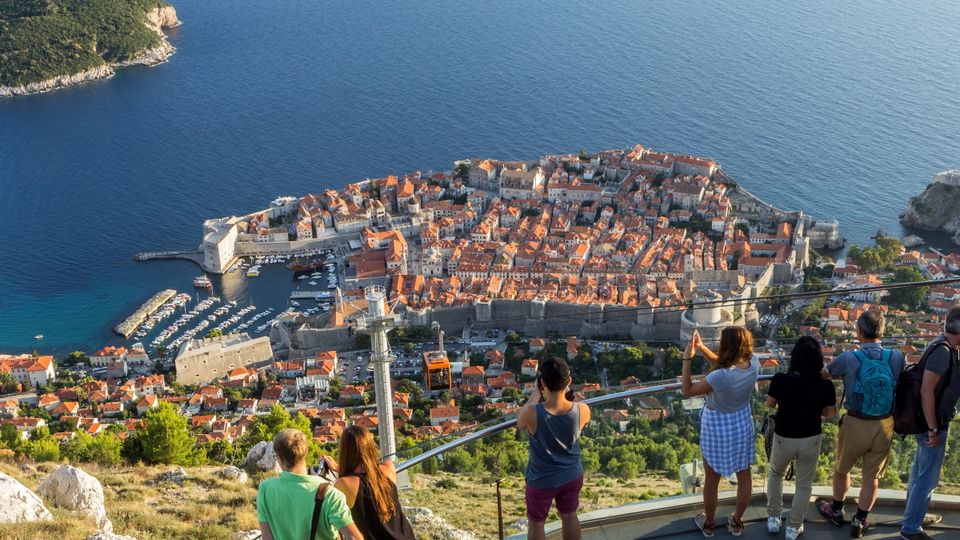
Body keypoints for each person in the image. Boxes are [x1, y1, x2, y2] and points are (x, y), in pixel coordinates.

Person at [818, 310, 905, 538]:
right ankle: (860, 521)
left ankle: (836, 510)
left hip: (856, 422)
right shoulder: (896, 356)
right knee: (871, 477)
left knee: (841, 469)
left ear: (858, 331)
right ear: (882, 331)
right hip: (885, 424)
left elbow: (824, 374)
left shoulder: (849, 358)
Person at [681, 327, 759, 538]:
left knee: (711, 478)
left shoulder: (720, 377)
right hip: (741, 421)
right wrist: (703, 348)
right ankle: (735, 522)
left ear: (726, 346)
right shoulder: (754, 364)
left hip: (717, 425)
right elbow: (725, 365)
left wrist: (687, 359)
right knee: (744, 476)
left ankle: (709, 524)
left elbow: (687, 390)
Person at [765, 337, 837, 540]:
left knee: (776, 474)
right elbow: (830, 413)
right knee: (804, 485)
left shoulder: (781, 379)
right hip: (810, 437)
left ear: (794, 357)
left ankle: (773, 519)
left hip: (784, 436)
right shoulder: (825, 386)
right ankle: (793, 528)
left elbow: (770, 404)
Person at [900, 306, 960, 540]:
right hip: (931, 423)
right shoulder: (943, 352)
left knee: (919, 472)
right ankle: (911, 528)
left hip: (928, 421)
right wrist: (933, 428)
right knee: (927, 477)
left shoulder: (943, 345)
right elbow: (927, 391)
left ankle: (912, 515)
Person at [517, 357, 591, 540]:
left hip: (542, 479)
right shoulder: (583, 410)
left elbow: (520, 423)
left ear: (542, 383)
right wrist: (568, 391)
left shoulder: (532, 413)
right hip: (572, 474)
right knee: (570, 516)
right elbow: (573, 411)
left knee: (536, 522)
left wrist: (536, 392)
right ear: (569, 382)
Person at [257, 429, 363, 540]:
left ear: (280, 458)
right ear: (306, 452)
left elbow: (267, 537)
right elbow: (354, 537)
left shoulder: (265, 489)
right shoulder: (330, 494)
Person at [321, 425, 415, 539]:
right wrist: (338, 468)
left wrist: (338, 469)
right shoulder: (389, 468)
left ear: (345, 451)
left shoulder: (344, 484)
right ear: (370, 447)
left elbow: (329, 519)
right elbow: (369, 475)